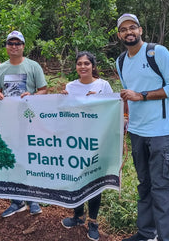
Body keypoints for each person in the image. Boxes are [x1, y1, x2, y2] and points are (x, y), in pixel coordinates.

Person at [116, 13, 169, 241]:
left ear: (141, 30)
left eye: (132, 27)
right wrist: (126, 115)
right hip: (137, 132)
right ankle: (146, 233)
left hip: (162, 132)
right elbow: (129, 93)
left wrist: (142, 96)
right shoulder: (121, 61)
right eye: (124, 29)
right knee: (144, 185)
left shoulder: (157, 52)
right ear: (119, 35)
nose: (129, 32)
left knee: (161, 188)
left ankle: (167, 237)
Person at [0, 30, 48, 218]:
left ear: (23, 46)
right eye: (11, 43)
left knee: (29, 158)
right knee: (12, 159)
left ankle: (33, 199)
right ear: (6, 47)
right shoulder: (1, 68)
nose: (14, 46)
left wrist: (32, 96)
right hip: (8, 122)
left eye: (18, 43)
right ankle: (16, 201)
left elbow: (43, 90)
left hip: (30, 121)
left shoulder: (33, 66)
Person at [60, 51, 113, 241]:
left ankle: (93, 221)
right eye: (79, 64)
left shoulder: (103, 85)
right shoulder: (70, 86)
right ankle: (77, 216)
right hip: (75, 140)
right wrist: (62, 100)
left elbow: (111, 110)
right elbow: (65, 113)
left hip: (96, 141)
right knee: (76, 178)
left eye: (87, 64)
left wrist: (98, 101)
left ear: (93, 66)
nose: (83, 67)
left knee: (94, 181)